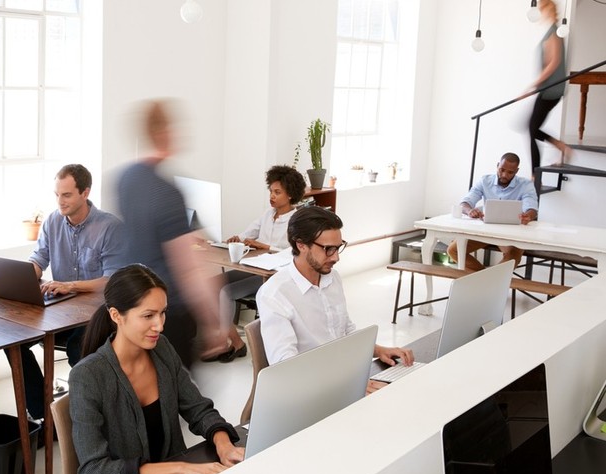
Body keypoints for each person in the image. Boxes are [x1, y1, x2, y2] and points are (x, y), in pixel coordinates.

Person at [69, 264, 244, 474]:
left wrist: (224, 444)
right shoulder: (87, 376)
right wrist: (181, 468)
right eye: (148, 315)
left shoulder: (161, 349)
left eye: (162, 313)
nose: (159, 326)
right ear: (116, 315)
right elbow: (94, 470)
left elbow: (198, 409)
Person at [255, 206, 413, 394]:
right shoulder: (274, 294)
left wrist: (378, 350)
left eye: (338, 248)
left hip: (341, 377)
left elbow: (344, 331)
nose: (336, 257)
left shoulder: (332, 278)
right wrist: (347, 385)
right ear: (301, 245)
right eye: (328, 249)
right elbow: (285, 367)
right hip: (309, 390)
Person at [116, 99, 226, 367]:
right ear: (165, 132)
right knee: (177, 397)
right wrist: (214, 324)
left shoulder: (125, 179)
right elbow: (189, 269)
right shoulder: (167, 192)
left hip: (131, 309)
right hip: (165, 314)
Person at [11, 163, 124, 422]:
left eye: (67, 195)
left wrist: (70, 286)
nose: (60, 202)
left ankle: (97, 414)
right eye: (57, 195)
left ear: (85, 193)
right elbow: (39, 258)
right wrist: (26, 274)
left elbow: (111, 279)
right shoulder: (52, 221)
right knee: (15, 343)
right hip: (60, 308)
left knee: (78, 346)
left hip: (97, 312)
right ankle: (45, 414)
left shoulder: (110, 227)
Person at [203, 165, 307, 363]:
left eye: (277, 192)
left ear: (291, 195)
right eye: (271, 191)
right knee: (209, 286)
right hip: (253, 269)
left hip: (271, 276)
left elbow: (291, 253)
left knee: (225, 292)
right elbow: (245, 235)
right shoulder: (268, 215)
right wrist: (236, 239)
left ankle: (226, 342)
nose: (272, 196)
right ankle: (235, 341)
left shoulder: (296, 220)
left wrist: (263, 245)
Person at [447, 152, 539, 271]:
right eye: (502, 170)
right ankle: (488, 281)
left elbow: (532, 208)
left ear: (516, 171)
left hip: (512, 233)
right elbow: (465, 203)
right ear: (497, 166)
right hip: (486, 230)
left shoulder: (526, 185)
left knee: (512, 257)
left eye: (510, 172)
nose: (504, 175)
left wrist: (528, 216)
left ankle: (488, 281)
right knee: (453, 250)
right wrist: (470, 211)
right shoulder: (485, 181)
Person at [526, 0, 570, 187]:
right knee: (531, 128)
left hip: (549, 90)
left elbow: (553, 64)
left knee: (531, 129)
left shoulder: (553, 34)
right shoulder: (552, 31)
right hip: (547, 89)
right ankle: (559, 147)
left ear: (545, 11)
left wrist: (531, 86)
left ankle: (535, 175)